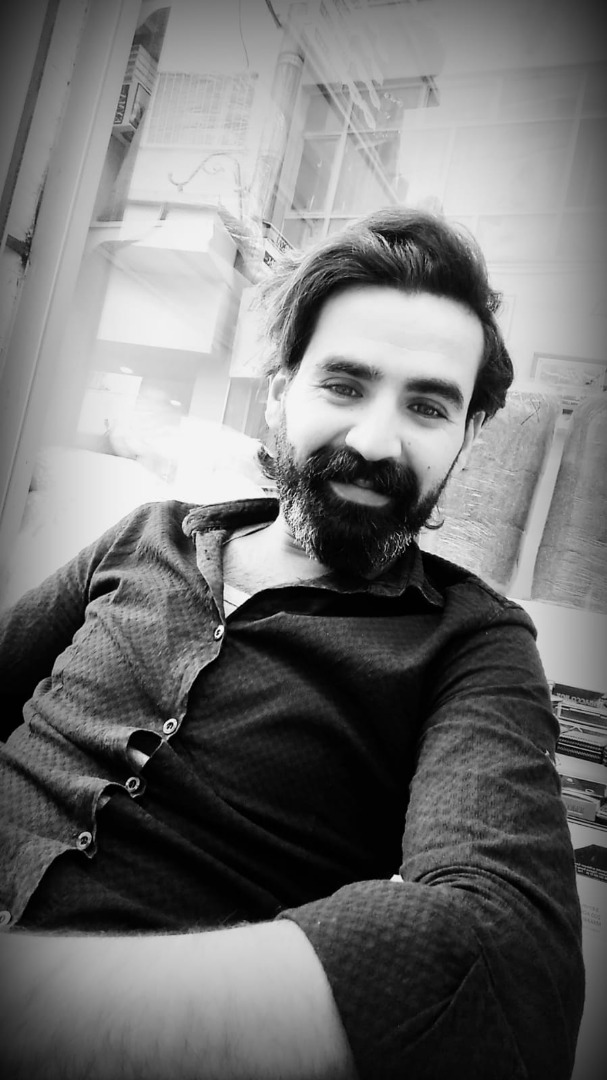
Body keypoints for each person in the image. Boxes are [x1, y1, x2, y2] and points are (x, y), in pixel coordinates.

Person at [0, 209, 584, 1080]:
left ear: (465, 438)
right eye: (343, 385)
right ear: (279, 391)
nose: (375, 441)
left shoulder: (472, 645)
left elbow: (505, 960)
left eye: (427, 406)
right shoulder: (144, 537)